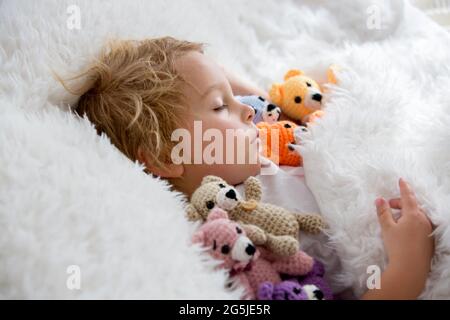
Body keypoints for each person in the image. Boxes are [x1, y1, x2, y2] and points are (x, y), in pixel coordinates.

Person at [61, 37, 434, 299]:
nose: (248, 110)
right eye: (221, 105)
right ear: (165, 156)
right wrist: (406, 271)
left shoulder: (255, 154)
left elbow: (253, 94)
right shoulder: (236, 238)